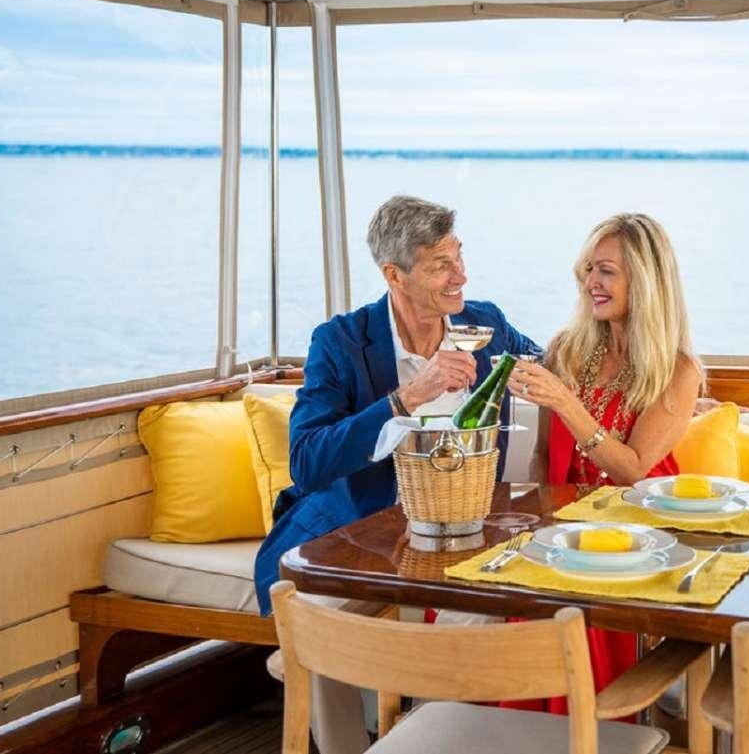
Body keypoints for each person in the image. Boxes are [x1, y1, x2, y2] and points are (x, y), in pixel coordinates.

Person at [254, 195, 540, 613]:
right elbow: (307, 461)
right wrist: (407, 398)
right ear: (395, 275)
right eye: (441, 266)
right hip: (358, 527)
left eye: (459, 258)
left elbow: (543, 360)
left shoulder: (485, 325)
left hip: (467, 529)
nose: (461, 276)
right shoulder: (340, 341)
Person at [503, 212, 701, 713]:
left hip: (642, 534)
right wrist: (534, 524)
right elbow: (546, 457)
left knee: (562, 610)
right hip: (567, 532)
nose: (591, 282)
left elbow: (633, 468)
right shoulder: (566, 350)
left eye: (607, 271)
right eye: (589, 269)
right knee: (520, 598)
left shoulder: (678, 372)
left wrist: (568, 403)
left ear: (646, 279)